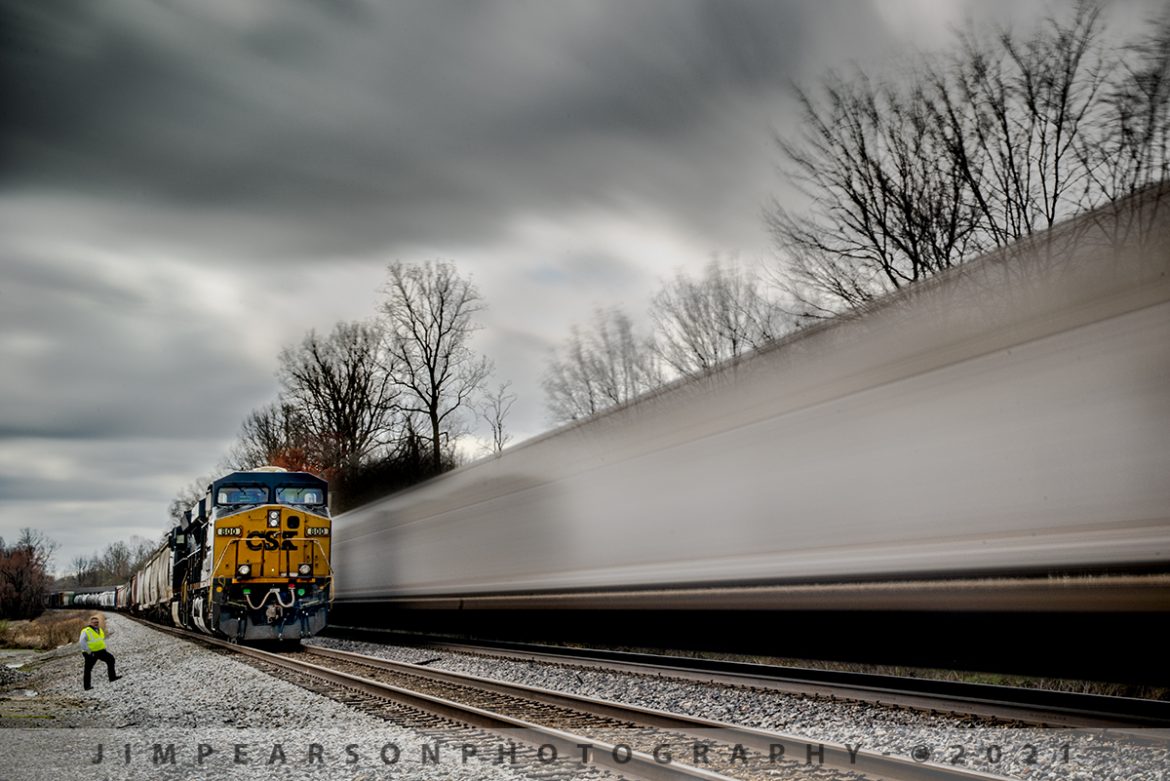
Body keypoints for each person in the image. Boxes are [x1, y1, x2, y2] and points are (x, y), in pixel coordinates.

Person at [79, 615, 121, 690]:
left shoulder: (99, 629)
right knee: (88, 669)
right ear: (90, 623)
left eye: (97, 622)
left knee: (111, 660)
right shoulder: (86, 631)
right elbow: (82, 642)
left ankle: (112, 677)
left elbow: (99, 640)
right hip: (91, 653)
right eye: (94, 622)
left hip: (101, 651)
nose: (96, 623)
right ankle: (87, 686)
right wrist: (89, 652)